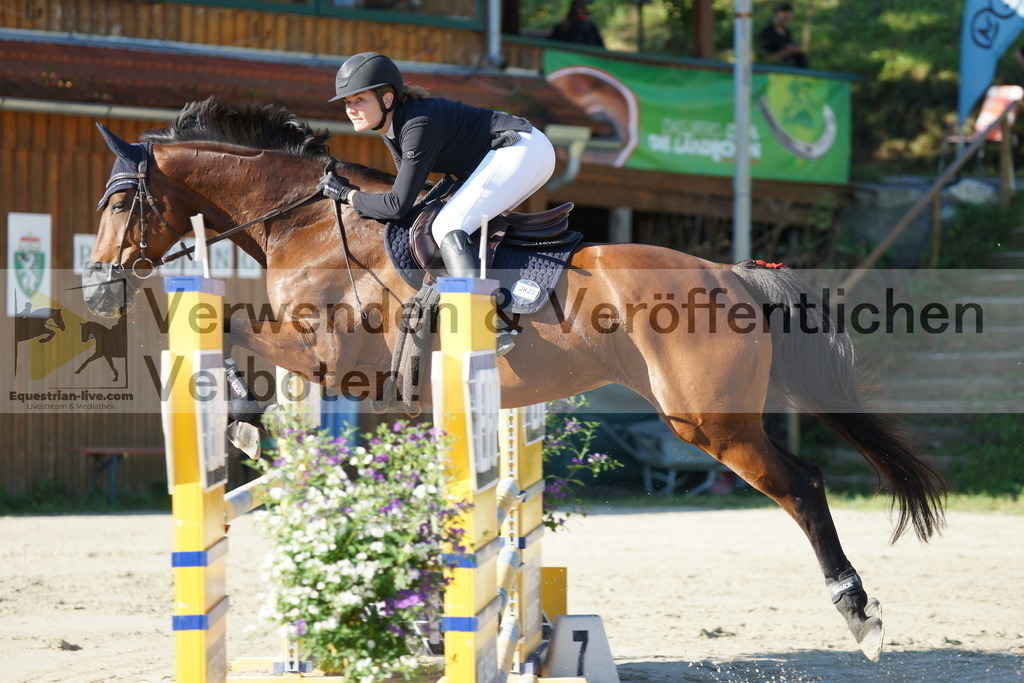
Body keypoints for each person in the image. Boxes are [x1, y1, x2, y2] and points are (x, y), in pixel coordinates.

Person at [318, 52, 556, 355]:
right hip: (518, 153)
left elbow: (396, 206)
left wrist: (347, 195)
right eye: (347, 102)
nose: (351, 109)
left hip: (519, 149)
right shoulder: (394, 126)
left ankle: (486, 325)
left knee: (448, 226)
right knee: (450, 221)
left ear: (387, 99)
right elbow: (407, 202)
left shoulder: (417, 124)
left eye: (359, 100)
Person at [759, 2, 808, 68]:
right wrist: (786, 51)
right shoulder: (767, 33)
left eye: (790, 18)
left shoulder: (788, 33)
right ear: (775, 14)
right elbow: (764, 59)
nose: (788, 20)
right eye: (785, 17)